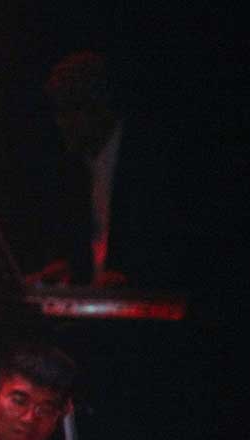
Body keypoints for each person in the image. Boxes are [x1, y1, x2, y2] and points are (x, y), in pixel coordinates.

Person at [27, 51, 190, 291]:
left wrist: (128, 278)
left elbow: (169, 247)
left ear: (100, 106)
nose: (62, 123)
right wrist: (63, 269)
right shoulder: (74, 170)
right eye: (59, 112)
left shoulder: (150, 161)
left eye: (72, 110)